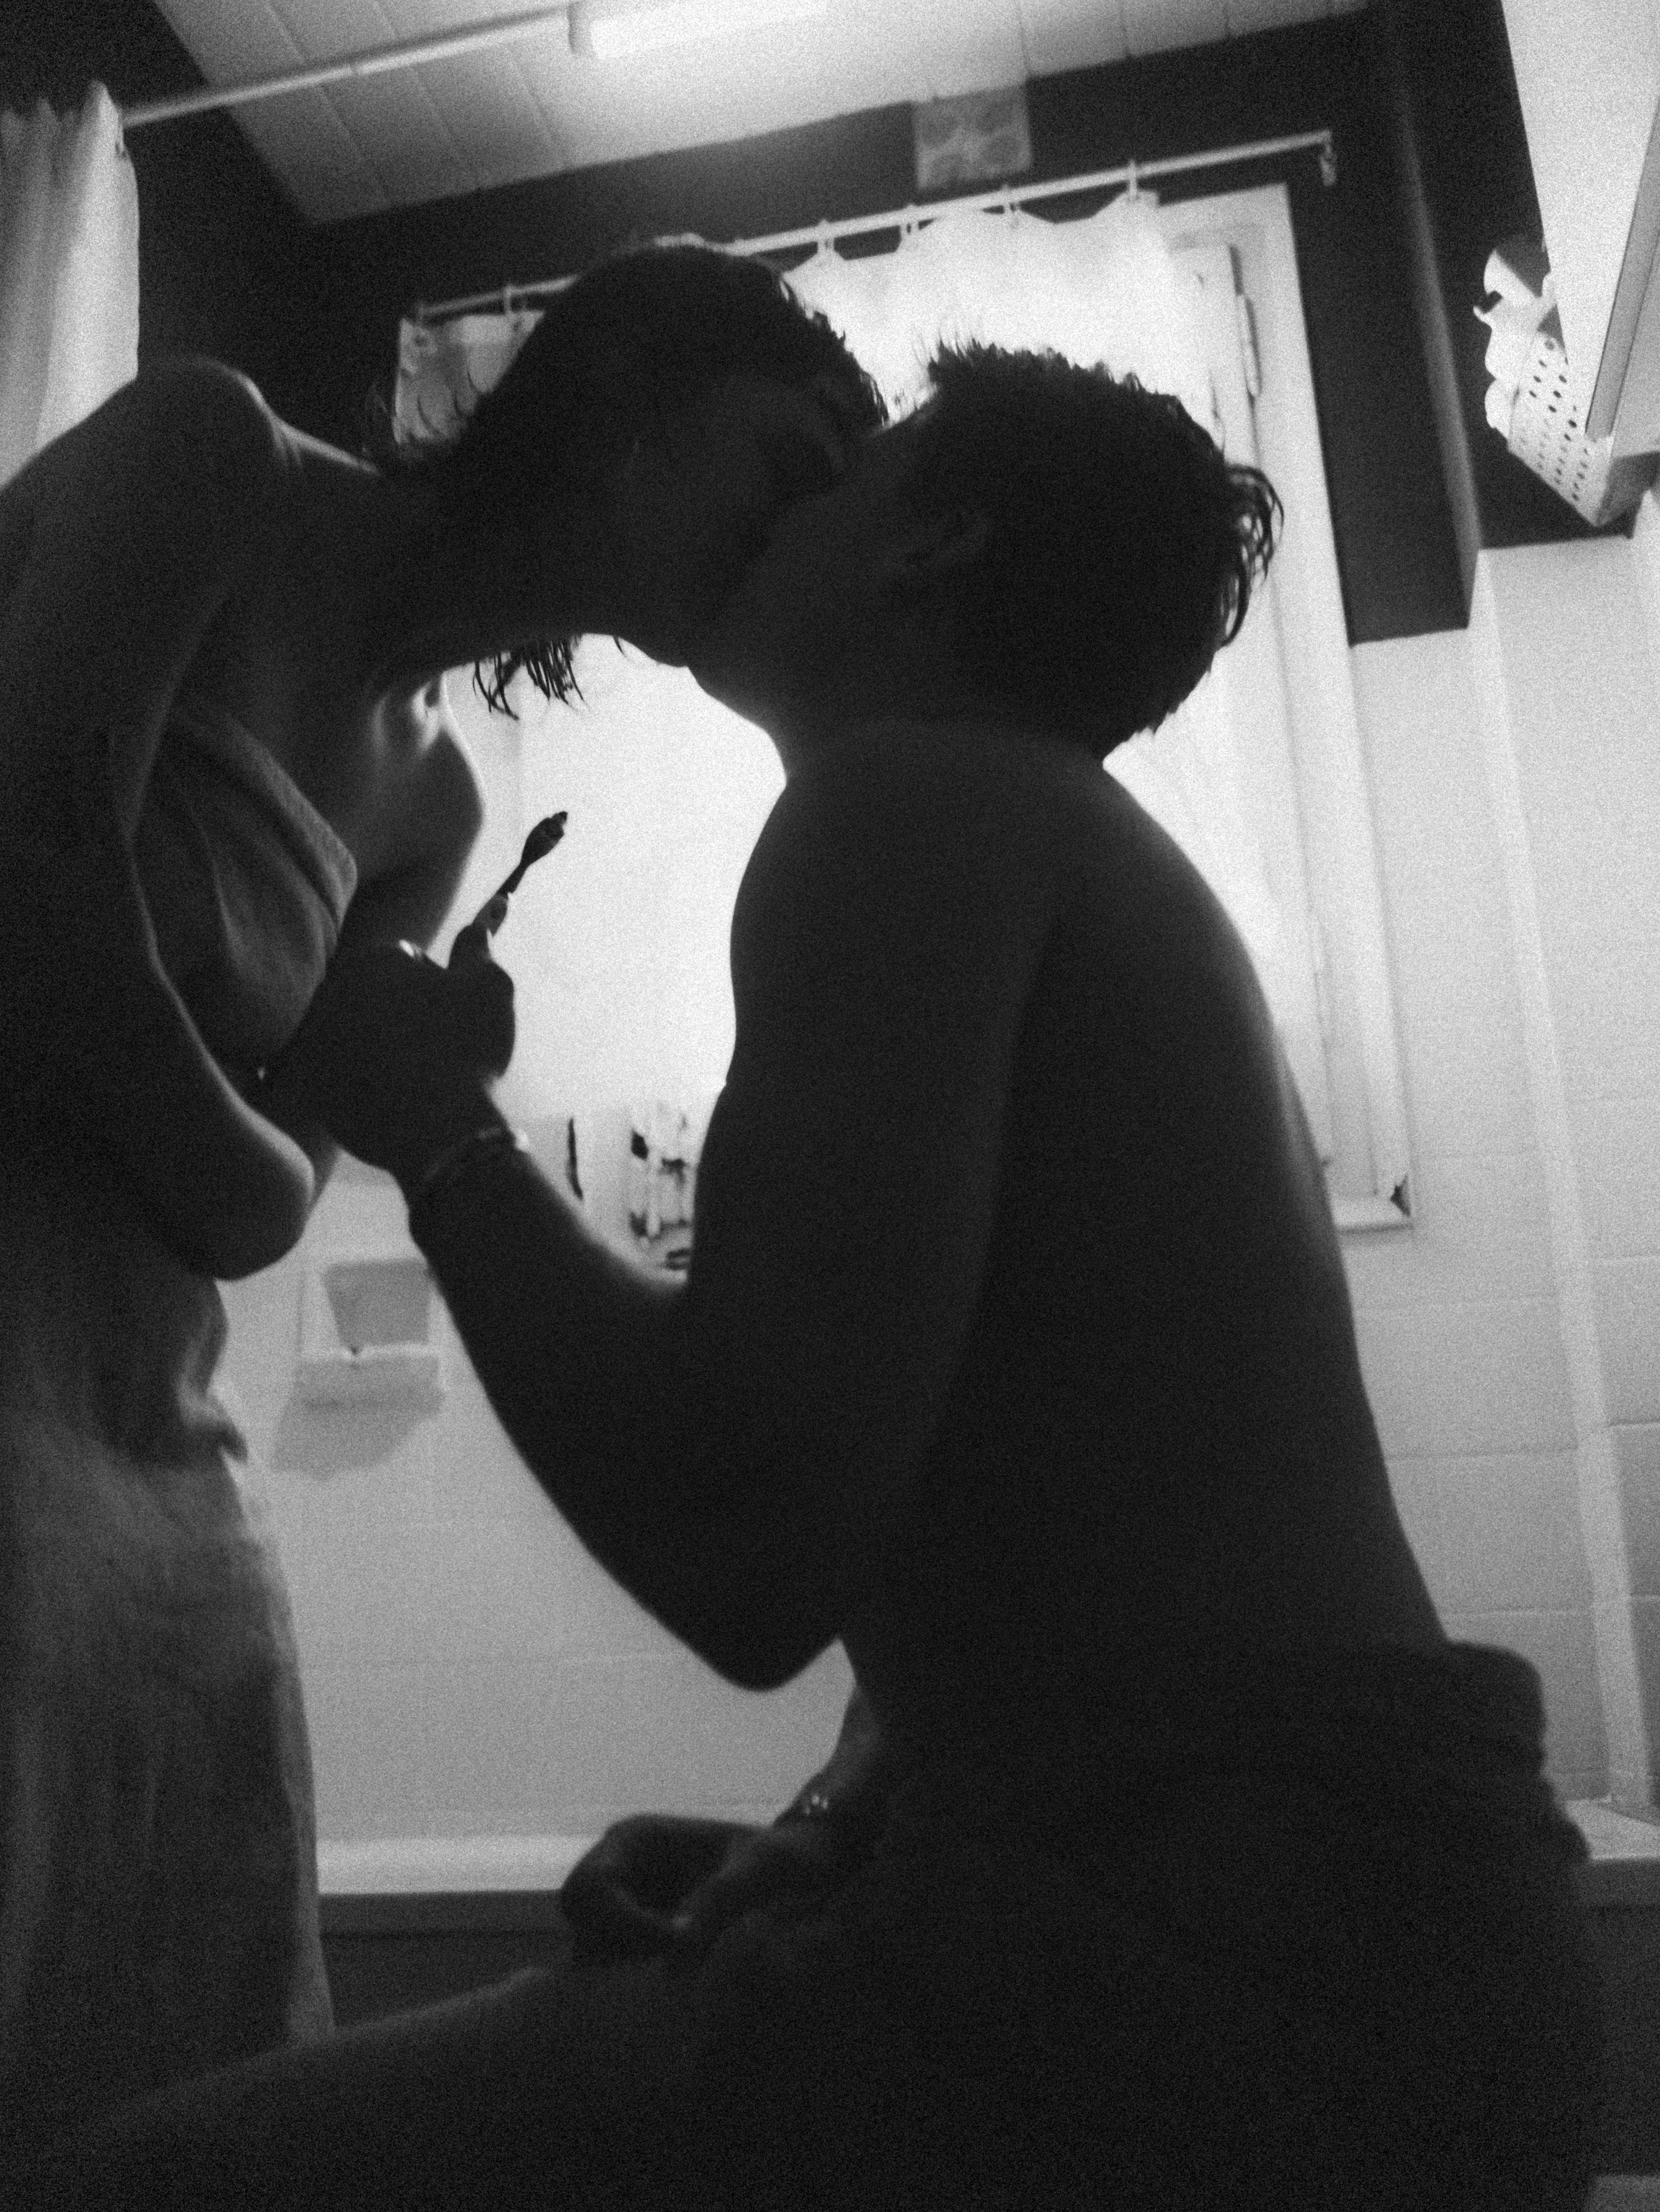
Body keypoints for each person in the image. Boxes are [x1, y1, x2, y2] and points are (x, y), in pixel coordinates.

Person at [22, 347, 1604, 2210]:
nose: (770, 521)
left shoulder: (905, 810)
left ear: (932, 544)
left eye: (841, 476)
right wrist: (848, 1830)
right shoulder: (1036, 840)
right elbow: (1025, 1527)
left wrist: (441, 1134)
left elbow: (750, 1539)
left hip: (1237, 1956)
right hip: (1346, 1943)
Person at [0, 238, 882, 2169]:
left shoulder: (439, 809)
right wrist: (291, 1103)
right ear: (632, 391)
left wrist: (377, 1110)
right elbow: (32, 859)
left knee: (181, 2017)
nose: (796, 534)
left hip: (137, 1420)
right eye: (786, 459)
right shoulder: (210, 459)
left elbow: (262, 1212)